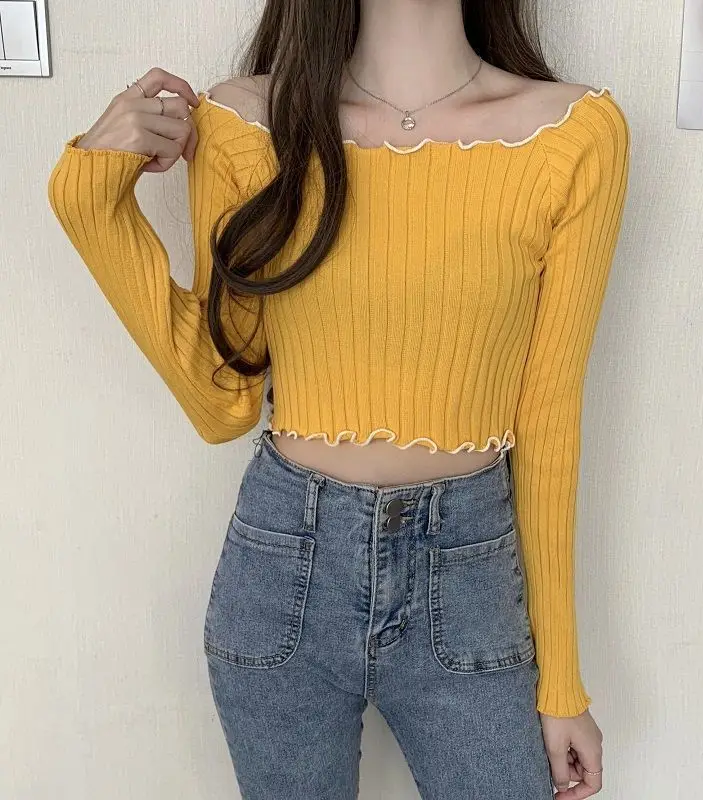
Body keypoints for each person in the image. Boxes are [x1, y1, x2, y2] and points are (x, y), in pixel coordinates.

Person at [47, 1, 630, 797]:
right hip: (284, 565)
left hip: (468, 576)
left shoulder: (574, 134)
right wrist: (89, 200)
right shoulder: (245, 125)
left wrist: (561, 684)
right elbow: (223, 400)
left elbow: (551, 418)